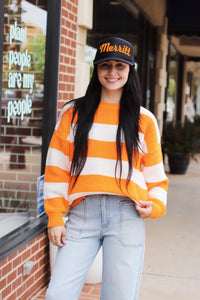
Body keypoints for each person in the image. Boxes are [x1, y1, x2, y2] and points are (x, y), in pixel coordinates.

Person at [44, 37, 168, 300]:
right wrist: (55, 216)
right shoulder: (73, 112)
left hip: (126, 215)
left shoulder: (144, 120)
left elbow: (156, 176)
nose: (112, 72)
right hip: (81, 213)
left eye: (120, 66)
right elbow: (57, 167)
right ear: (96, 69)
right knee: (57, 295)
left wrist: (155, 206)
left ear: (130, 70)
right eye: (105, 65)